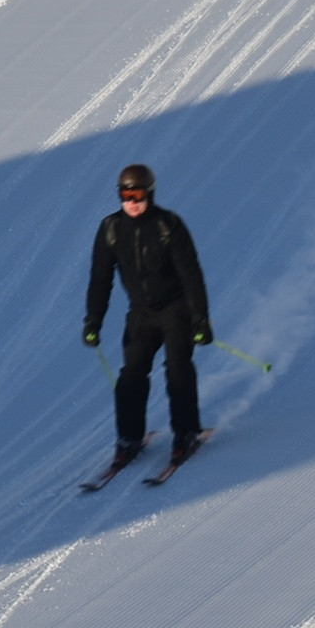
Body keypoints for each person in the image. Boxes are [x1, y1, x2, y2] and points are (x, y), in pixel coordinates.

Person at [84, 164, 212, 469]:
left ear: (149, 194)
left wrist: (200, 318)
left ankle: (185, 432)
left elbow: (191, 275)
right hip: (141, 314)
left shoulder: (168, 225)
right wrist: (93, 320)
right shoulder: (111, 229)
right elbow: (100, 279)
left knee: (177, 369)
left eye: (137, 195)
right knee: (131, 376)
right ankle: (128, 438)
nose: (131, 202)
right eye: (125, 195)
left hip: (175, 310)